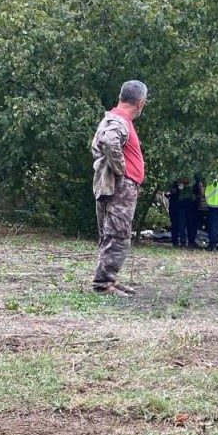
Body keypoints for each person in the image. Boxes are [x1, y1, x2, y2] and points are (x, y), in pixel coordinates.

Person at [90, 80, 147, 295]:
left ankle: (109, 279)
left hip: (116, 187)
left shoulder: (114, 118)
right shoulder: (119, 120)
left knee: (113, 234)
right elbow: (108, 141)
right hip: (120, 188)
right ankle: (103, 284)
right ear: (140, 102)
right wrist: (121, 169)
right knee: (117, 235)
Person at [166, 179, 183, 246]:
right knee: (175, 223)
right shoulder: (172, 181)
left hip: (180, 204)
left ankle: (179, 241)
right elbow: (167, 193)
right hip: (174, 204)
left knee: (178, 224)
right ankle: (175, 241)